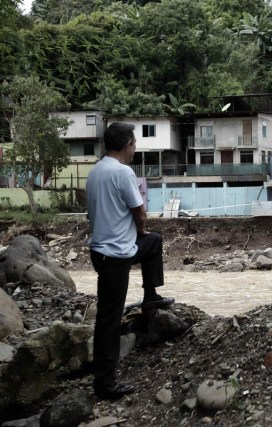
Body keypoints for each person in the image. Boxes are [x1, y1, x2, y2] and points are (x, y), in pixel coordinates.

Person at [86, 122, 174, 400]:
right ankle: (105, 382)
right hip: (115, 255)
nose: (135, 148)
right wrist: (140, 229)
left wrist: (140, 235)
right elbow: (140, 211)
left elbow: (93, 213)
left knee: (153, 242)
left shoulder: (95, 171)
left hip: (103, 251)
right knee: (109, 318)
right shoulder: (123, 172)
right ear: (127, 146)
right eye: (135, 143)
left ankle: (150, 296)